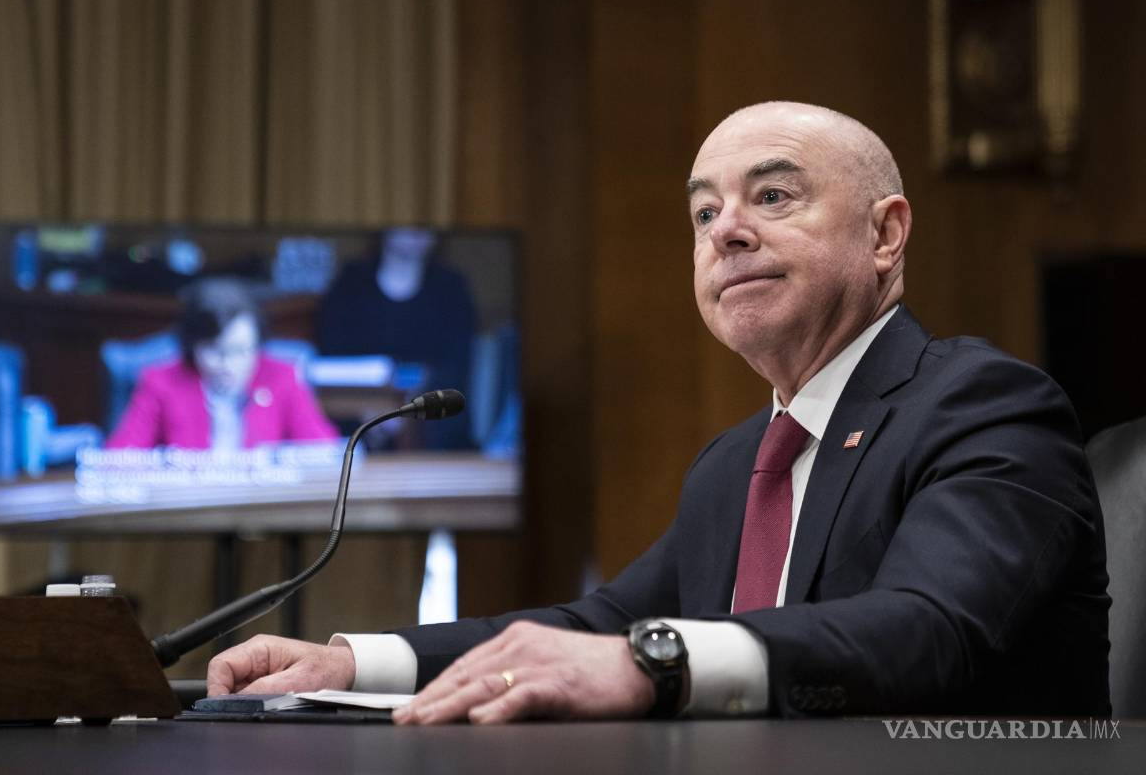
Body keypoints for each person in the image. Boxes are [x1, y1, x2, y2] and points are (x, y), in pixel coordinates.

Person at [206, 102, 1110, 722]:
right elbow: (596, 629)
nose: (725, 230)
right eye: (704, 212)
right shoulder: (736, 463)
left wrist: (655, 661)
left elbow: (928, 631)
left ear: (884, 235)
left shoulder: (984, 405)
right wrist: (352, 664)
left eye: (773, 195)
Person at [107, 278, 338, 450]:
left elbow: (325, 451)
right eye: (214, 350)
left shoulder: (282, 377)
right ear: (192, 345)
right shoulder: (160, 382)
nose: (227, 363)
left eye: (240, 351)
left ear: (258, 345)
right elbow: (119, 458)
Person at [315, 226, 477, 450]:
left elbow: (456, 369)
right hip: (356, 418)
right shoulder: (348, 285)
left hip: (433, 426)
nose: (417, 229)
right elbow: (334, 364)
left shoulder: (452, 289)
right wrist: (369, 412)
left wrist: (406, 410)